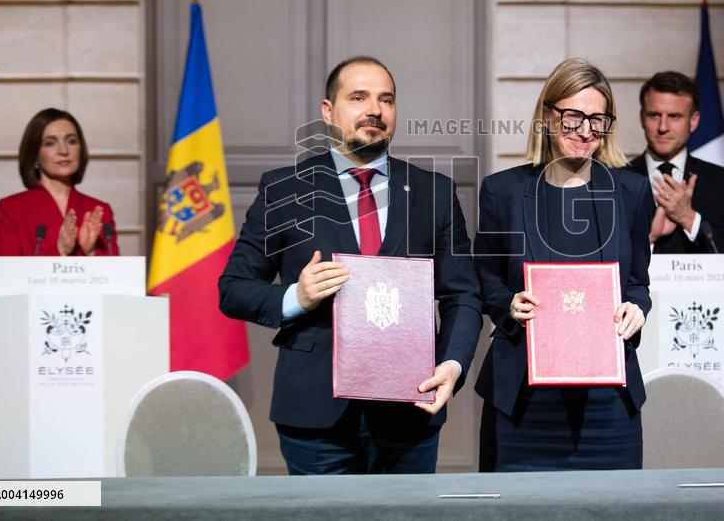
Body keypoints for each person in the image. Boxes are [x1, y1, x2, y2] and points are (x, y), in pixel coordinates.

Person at [218, 56, 482, 475]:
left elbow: (463, 295)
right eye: (358, 97)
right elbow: (232, 289)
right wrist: (296, 297)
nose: (374, 109)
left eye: (386, 99)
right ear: (328, 111)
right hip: (316, 415)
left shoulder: (434, 192)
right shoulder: (284, 190)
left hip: (410, 408)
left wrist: (452, 364)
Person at [473, 57, 654, 471]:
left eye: (598, 119)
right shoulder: (502, 192)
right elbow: (488, 280)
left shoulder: (631, 192)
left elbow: (637, 283)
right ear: (547, 116)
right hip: (522, 399)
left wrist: (636, 308)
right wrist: (508, 306)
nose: (586, 131)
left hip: (608, 400)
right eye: (573, 117)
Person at [629, 71, 724, 254]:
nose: (663, 127)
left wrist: (689, 218)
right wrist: (649, 238)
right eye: (654, 115)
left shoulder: (722, 181)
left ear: (694, 121)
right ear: (642, 118)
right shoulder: (618, 179)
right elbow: (602, 260)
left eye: (674, 116)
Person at [0, 108, 118, 256]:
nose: (63, 150)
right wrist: (59, 251)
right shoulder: (12, 209)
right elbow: (4, 277)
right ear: (34, 155)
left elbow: (117, 276)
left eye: (71, 141)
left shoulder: (99, 210)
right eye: (50, 143)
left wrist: (90, 252)